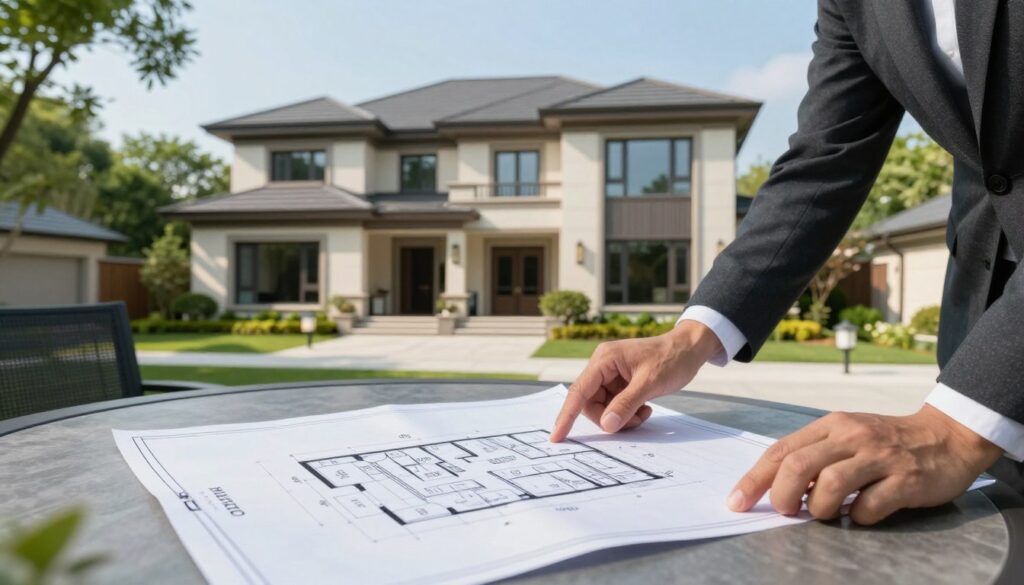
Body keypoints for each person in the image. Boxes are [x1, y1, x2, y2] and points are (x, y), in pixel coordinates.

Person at [550, 0, 1024, 525]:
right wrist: (691, 337)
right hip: (982, 324)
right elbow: (824, 162)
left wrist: (955, 429)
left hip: (985, 387)